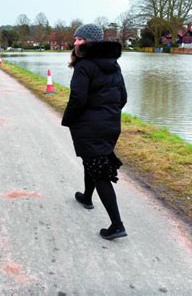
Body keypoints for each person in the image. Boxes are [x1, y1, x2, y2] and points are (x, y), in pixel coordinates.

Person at [61, 23, 128, 240]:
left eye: (82, 39)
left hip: (90, 126)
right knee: (92, 161)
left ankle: (117, 225)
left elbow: (77, 99)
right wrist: (108, 112)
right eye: (76, 39)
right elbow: (123, 97)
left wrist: (68, 119)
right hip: (110, 125)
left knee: (99, 172)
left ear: (93, 42)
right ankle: (87, 197)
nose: (77, 42)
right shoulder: (114, 64)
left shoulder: (84, 66)